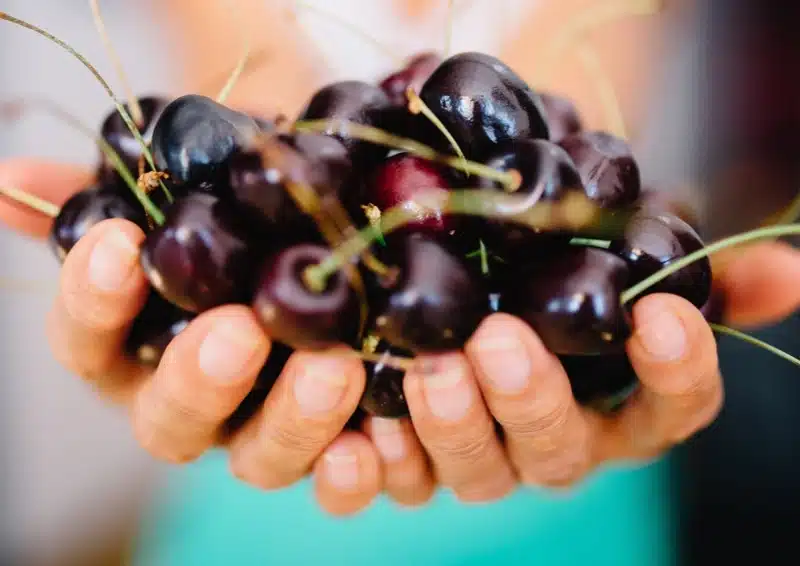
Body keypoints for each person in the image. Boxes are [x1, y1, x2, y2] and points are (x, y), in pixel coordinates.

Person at [3, 1, 800, 564]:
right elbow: (248, 93)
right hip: (277, 482)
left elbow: (572, 110)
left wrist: (559, 219)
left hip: (567, 466)